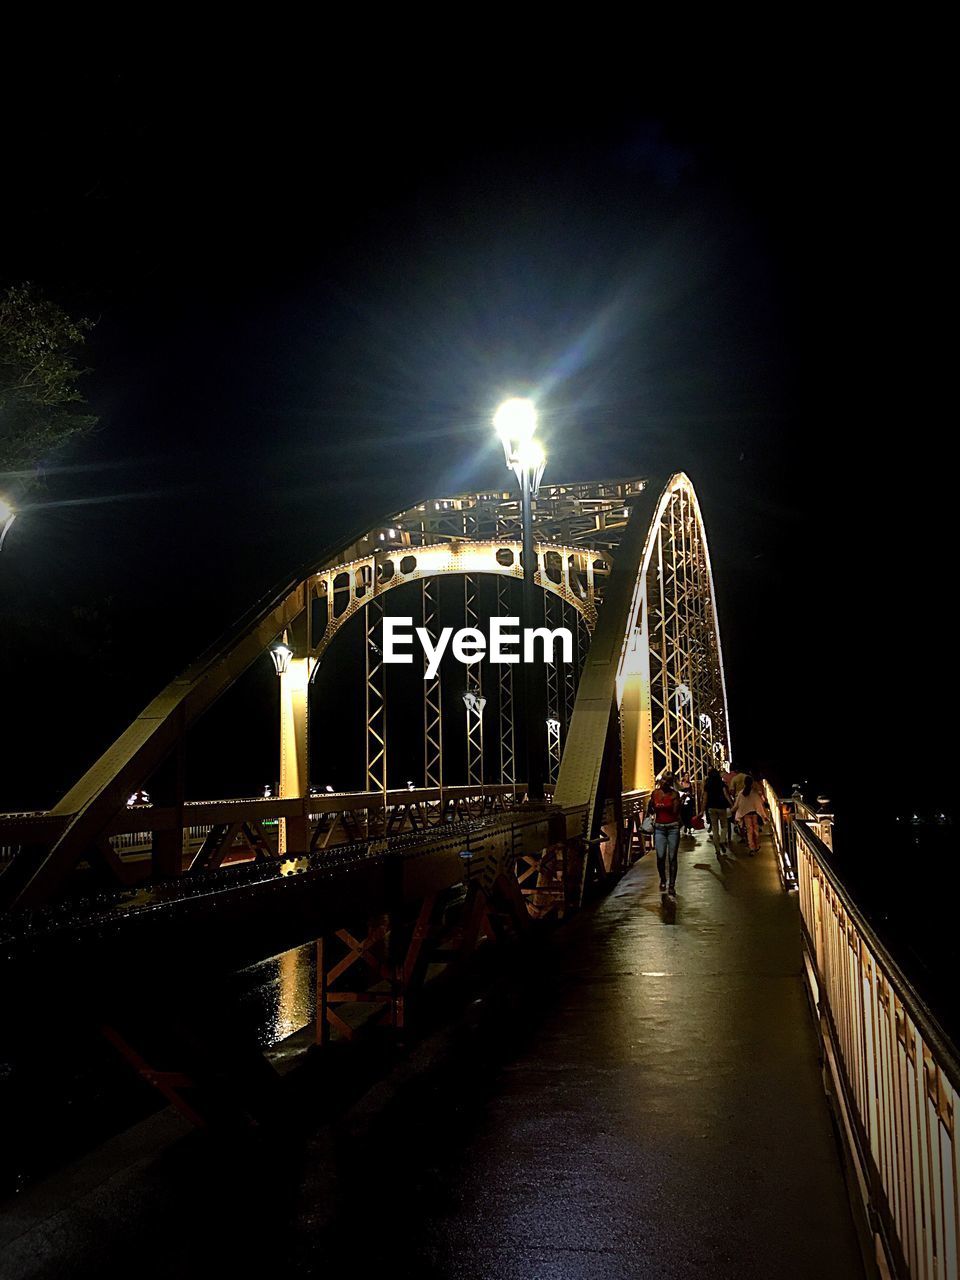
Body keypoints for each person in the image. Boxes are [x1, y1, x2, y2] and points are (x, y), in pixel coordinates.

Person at [646, 771, 682, 895]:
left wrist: (677, 802)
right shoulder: (654, 794)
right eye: (663, 780)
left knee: (672, 857)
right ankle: (663, 879)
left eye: (667, 781)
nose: (664, 782)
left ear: (671, 783)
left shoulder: (674, 794)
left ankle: (671, 885)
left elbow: (675, 812)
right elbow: (651, 809)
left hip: (673, 827)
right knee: (660, 856)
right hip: (659, 828)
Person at [733, 775, 770, 855]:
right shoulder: (755, 793)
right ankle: (756, 846)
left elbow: (737, 805)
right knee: (755, 831)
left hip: (746, 815)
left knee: (749, 831)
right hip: (755, 815)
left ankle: (752, 848)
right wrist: (764, 816)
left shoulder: (741, 793)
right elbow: (759, 805)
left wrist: (735, 814)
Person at [701, 767, 732, 857]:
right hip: (721, 807)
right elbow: (726, 794)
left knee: (715, 829)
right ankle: (722, 840)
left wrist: (702, 811)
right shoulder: (721, 783)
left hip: (711, 808)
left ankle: (717, 850)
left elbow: (705, 798)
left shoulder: (707, 784)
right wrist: (731, 804)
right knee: (724, 826)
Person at [678, 770, 695, 835]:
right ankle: (685, 825)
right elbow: (679, 792)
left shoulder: (690, 784)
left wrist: (690, 795)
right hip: (683, 801)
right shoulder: (681, 784)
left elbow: (692, 792)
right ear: (683, 777)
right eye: (686, 776)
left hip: (689, 801)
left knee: (689, 815)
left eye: (688, 776)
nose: (687, 777)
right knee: (683, 814)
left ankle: (689, 828)